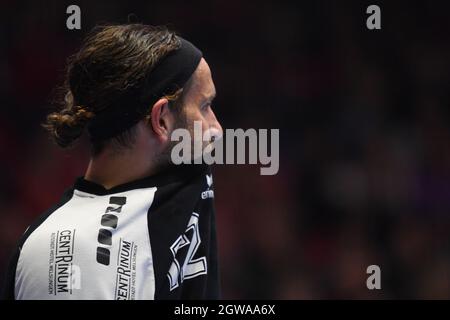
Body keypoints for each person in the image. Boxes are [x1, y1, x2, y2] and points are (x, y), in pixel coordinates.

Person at [2, 23, 222, 300]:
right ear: (162, 119)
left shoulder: (180, 183)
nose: (216, 128)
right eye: (204, 106)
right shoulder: (68, 258)